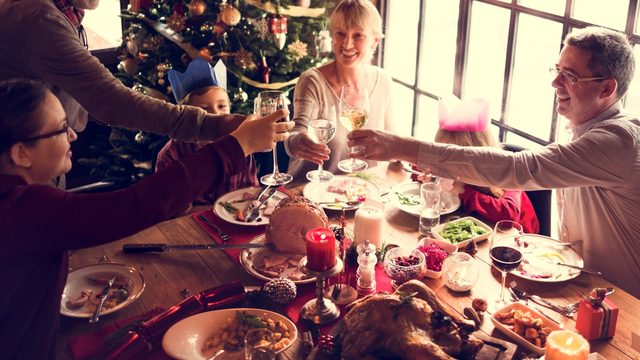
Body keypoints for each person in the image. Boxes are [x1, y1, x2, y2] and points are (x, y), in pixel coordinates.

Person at [0, 78, 292, 360]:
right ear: (21, 153)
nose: (73, 135)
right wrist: (235, 145)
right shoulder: (18, 208)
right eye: (61, 129)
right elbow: (133, 207)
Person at [347, 26, 640, 297]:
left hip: (624, 299)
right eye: (557, 70)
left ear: (606, 89)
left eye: (570, 76)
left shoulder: (618, 139)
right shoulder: (584, 131)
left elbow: (517, 168)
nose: (555, 82)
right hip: (583, 283)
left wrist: (402, 146)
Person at [0, 0, 248, 168]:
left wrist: (91, 107)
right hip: (22, 163)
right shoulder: (39, 17)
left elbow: (70, 85)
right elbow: (110, 98)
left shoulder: (57, 10)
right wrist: (215, 125)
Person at [284, 0, 395, 183]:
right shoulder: (312, 80)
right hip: (309, 193)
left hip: (363, 193)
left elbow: (394, 144)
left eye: (358, 35)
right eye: (340, 33)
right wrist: (298, 142)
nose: (347, 44)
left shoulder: (383, 81)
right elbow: (296, 133)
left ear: (374, 41)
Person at [156, 58, 259, 217]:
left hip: (236, 223)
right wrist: (223, 211)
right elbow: (179, 213)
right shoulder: (170, 156)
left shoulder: (241, 144)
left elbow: (249, 194)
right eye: (203, 109)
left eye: (221, 106)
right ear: (187, 115)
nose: (216, 115)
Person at [422, 98, 539, 234]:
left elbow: (509, 214)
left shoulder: (505, 170)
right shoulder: (454, 166)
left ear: (477, 154)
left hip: (518, 241)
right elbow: (426, 167)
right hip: (475, 228)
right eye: (443, 153)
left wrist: (463, 191)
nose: (447, 163)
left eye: (453, 157)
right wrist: (429, 176)